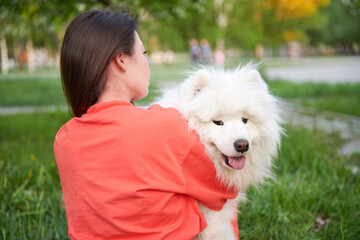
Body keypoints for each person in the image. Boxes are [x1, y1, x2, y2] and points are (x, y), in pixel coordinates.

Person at [54, 9, 239, 240]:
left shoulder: (64, 138)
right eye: (143, 52)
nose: (146, 61)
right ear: (121, 59)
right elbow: (223, 191)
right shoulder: (167, 124)